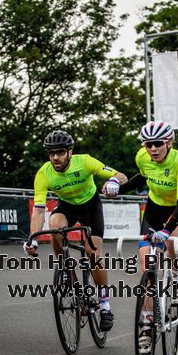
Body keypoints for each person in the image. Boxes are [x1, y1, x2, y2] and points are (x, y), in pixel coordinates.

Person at [23, 129, 127, 331]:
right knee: (54, 226)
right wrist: (32, 239)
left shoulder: (85, 161)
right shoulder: (44, 173)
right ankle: (64, 268)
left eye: (60, 152)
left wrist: (113, 181)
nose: (55, 157)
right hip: (67, 206)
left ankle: (105, 305)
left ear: (70, 151)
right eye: (51, 153)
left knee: (93, 254)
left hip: (90, 206)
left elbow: (120, 176)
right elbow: (38, 210)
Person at [118, 120, 178, 352]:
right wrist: (119, 189)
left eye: (158, 144)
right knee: (147, 268)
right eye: (148, 144)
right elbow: (143, 177)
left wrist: (166, 229)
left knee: (172, 242)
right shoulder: (142, 157)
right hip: (154, 210)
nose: (152, 149)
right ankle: (147, 326)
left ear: (169, 143)